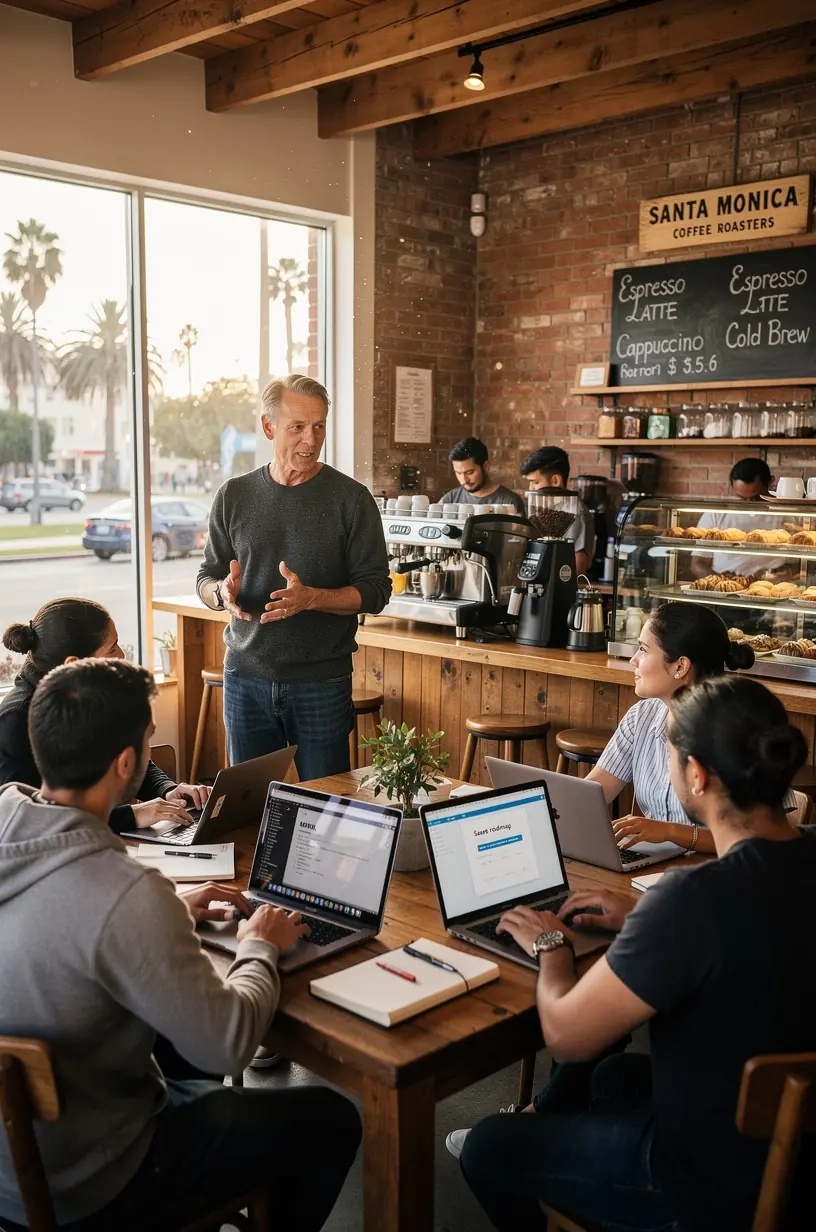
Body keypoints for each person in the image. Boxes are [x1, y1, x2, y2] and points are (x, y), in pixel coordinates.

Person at [0, 658, 360, 1231]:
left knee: (178, 1052)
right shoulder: (127, 894)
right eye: (148, 740)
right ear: (126, 763)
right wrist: (259, 946)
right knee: (331, 1120)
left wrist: (166, 913)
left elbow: (63, 928)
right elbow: (229, 1046)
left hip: (12, 1174)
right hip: (96, 1185)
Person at [458, 674, 816, 1232]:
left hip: (703, 1187)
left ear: (696, 774)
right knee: (614, 1078)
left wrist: (552, 945)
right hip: (794, 1150)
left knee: (489, 1146)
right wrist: (644, 919)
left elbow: (566, 1035)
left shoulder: (691, 900)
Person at [197, 374, 390, 780]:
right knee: (248, 804)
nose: (310, 440)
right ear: (268, 427)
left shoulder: (352, 500)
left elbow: (376, 591)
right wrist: (221, 593)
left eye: (319, 426)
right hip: (244, 677)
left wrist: (313, 598)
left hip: (321, 682)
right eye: (297, 427)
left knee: (326, 805)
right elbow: (207, 577)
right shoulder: (233, 495)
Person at [0, 598, 208, 833]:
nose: (121, 655)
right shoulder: (14, 721)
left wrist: (167, 789)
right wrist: (131, 815)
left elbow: (126, 757)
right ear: (74, 664)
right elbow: (31, 821)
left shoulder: (89, 694)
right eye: (112, 649)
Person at [588, 600, 772, 856]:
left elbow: (759, 839)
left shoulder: (737, 728)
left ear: (680, 666)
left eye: (643, 649)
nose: (633, 660)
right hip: (652, 865)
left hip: (720, 869)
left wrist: (671, 832)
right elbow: (591, 794)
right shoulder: (641, 716)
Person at [692, 457, 787, 579]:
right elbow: (698, 564)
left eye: (755, 498)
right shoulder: (716, 514)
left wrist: (781, 575)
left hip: (771, 586)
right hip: (725, 585)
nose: (748, 503)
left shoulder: (788, 515)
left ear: (770, 482)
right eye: (741, 498)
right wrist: (723, 583)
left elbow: (800, 565)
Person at [520, 446, 595, 576]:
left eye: (535, 482)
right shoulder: (547, 509)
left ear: (555, 481)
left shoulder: (574, 512)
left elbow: (578, 566)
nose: (531, 489)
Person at [440, 437, 525, 515]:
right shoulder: (448, 501)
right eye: (458, 473)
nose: (463, 481)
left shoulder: (510, 502)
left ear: (486, 466)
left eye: (470, 472)